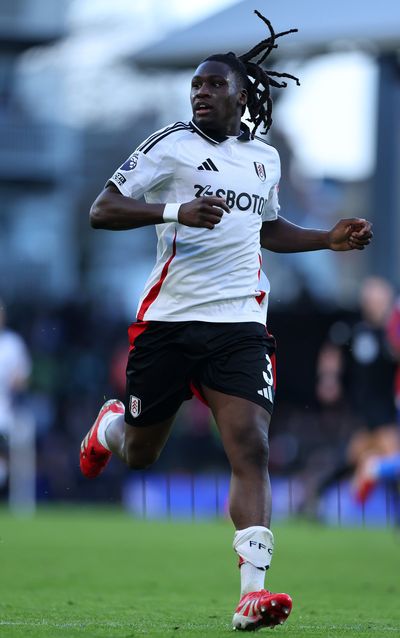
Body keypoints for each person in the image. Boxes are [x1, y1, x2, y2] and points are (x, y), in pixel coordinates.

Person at [80, 10, 372, 631]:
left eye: (214, 85)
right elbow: (102, 210)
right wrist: (174, 211)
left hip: (239, 324)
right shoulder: (170, 145)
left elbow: (266, 229)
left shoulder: (264, 159)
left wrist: (328, 239)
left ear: (243, 96)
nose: (201, 93)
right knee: (140, 453)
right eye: (196, 85)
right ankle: (108, 429)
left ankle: (252, 592)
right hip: (168, 322)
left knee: (251, 446)